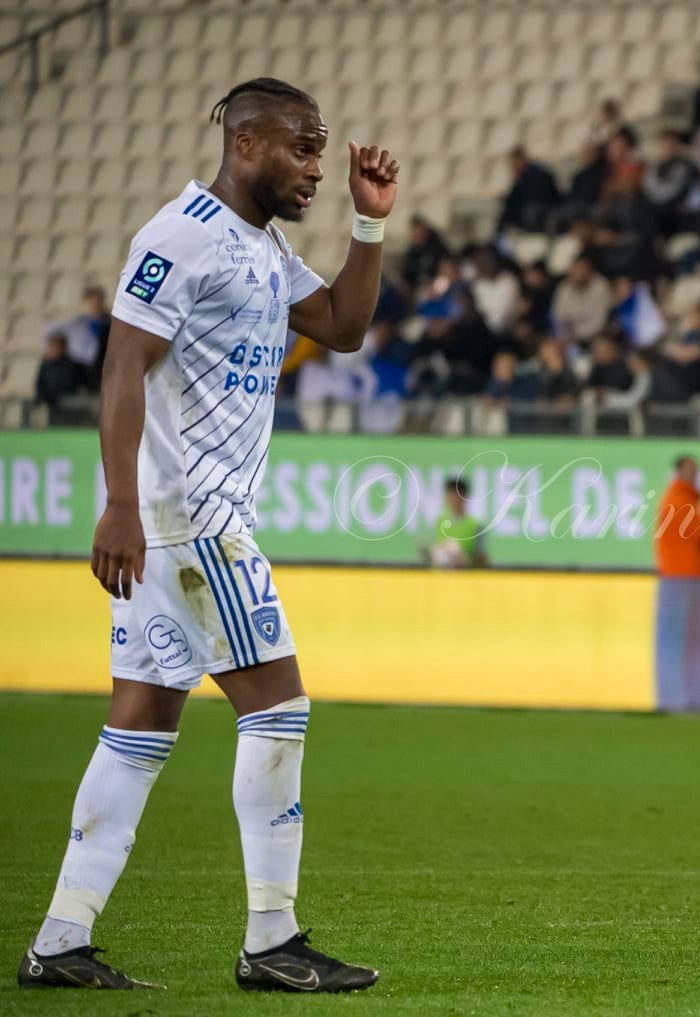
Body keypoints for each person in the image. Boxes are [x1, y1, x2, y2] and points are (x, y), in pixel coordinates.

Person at [20, 78, 387, 992]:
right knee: (279, 709)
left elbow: (341, 327)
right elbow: (123, 363)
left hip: (177, 525)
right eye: (301, 148)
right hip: (194, 520)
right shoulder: (181, 236)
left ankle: (59, 943)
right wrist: (119, 505)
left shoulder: (258, 247)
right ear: (247, 139)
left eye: (320, 149)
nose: (314, 167)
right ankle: (272, 938)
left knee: (137, 726)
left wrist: (368, 224)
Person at [653, 455, 700, 577]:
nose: (695, 476)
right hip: (687, 578)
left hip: (676, 576)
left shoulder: (676, 499)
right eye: (692, 470)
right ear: (680, 471)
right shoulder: (680, 502)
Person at [428, 475, 488, 569]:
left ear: (464, 496)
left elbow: (481, 557)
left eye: (456, 495)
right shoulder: (440, 521)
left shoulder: (475, 524)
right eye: (450, 495)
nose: (452, 499)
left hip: (465, 578)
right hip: (441, 578)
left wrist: (462, 558)